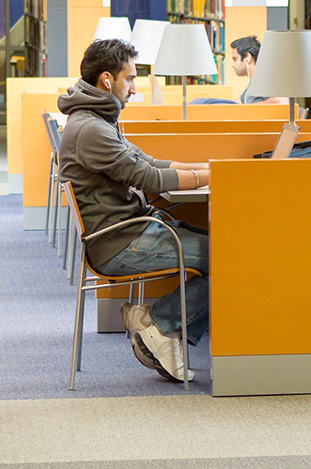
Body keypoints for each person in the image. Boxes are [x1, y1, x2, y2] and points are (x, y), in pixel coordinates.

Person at [58, 39, 211, 382]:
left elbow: (147, 161)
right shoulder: (91, 129)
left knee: (226, 247)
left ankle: (160, 326)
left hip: (131, 229)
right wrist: (210, 176)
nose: (134, 89)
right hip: (119, 243)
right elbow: (148, 178)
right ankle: (159, 325)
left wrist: (204, 167)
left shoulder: (96, 119)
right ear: (107, 79)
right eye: (130, 79)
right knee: (229, 258)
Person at [229, 36, 288, 105]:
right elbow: (236, 102)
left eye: (235, 59)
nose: (232, 64)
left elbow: (283, 101)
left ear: (248, 57)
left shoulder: (263, 79)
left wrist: (249, 108)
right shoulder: (253, 84)